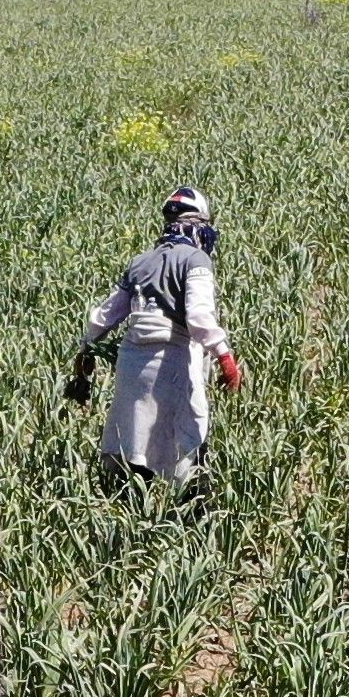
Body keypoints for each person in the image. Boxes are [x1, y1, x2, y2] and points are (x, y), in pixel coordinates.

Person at [68, 186, 244, 487]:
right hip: (172, 362)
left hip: (132, 364)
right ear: (200, 225)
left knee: (133, 436)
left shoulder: (140, 262)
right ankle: (185, 511)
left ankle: (130, 504)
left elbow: (106, 314)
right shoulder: (196, 260)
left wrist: (85, 350)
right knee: (185, 437)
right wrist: (225, 356)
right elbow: (199, 318)